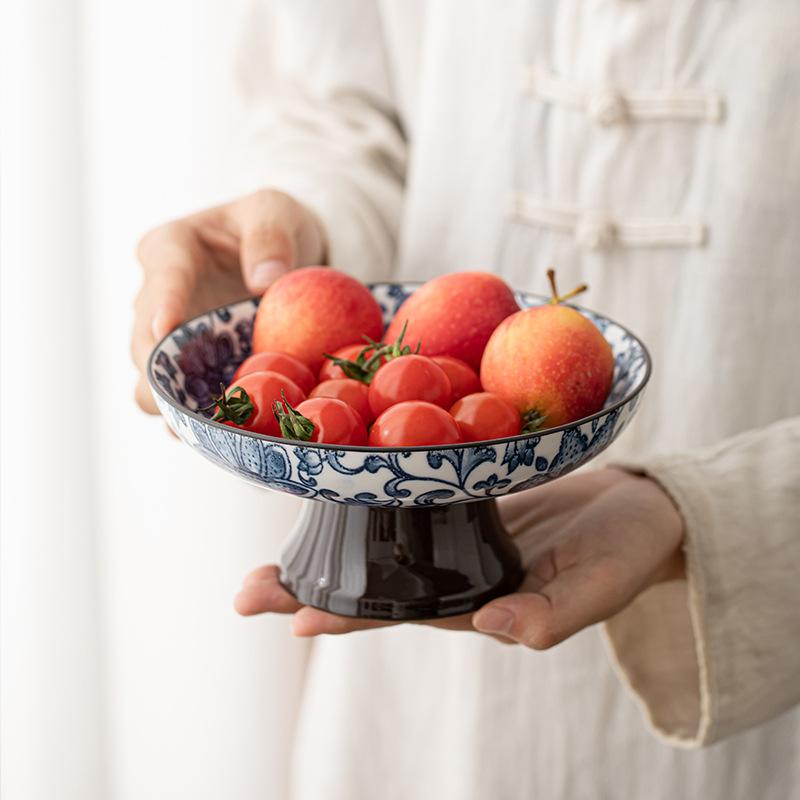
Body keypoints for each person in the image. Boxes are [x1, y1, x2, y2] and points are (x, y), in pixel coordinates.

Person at [132, 3, 800, 798]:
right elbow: (335, 101)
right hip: (393, 573)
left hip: (756, 645)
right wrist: (294, 249)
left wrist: (732, 510)